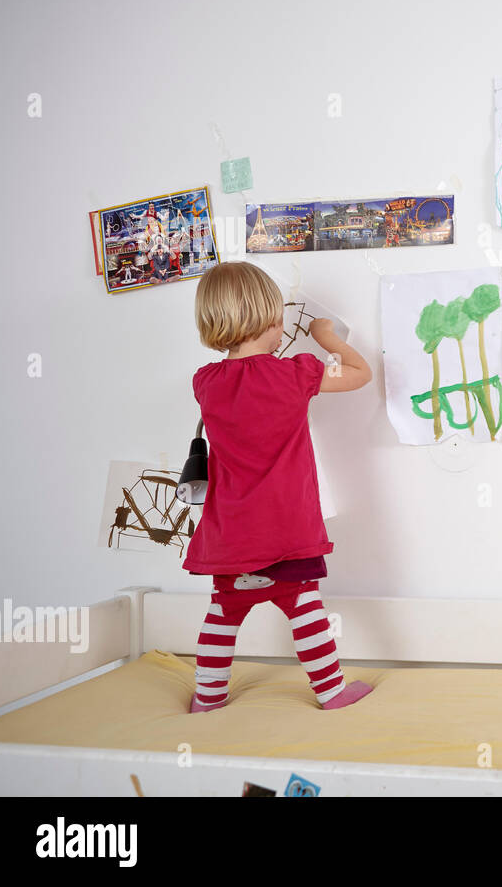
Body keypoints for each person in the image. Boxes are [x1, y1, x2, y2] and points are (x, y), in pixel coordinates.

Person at [183, 262, 373, 712]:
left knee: (221, 615)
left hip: (230, 537)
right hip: (286, 532)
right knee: (305, 608)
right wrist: (327, 337)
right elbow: (359, 372)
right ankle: (331, 692)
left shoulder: (205, 383)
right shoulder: (295, 374)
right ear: (272, 321)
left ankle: (207, 699)